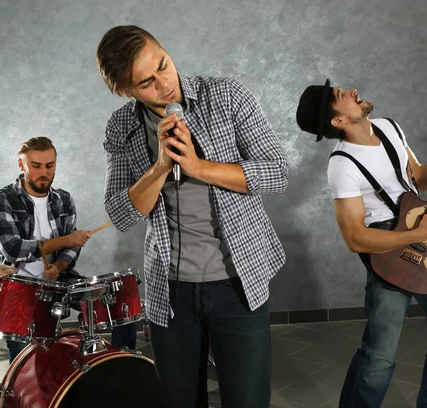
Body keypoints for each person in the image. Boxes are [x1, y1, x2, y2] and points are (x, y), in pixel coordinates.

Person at [96, 25, 288, 408]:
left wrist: (199, 167)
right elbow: (121, 213)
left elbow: (277, 172)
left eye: (163, 66)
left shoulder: (227, 95)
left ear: (165, 49)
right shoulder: (122, 126)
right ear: (125, 90)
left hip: (238, 283)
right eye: (146, 83)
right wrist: (159, 167)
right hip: (170, 291)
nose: (164, 84)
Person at [296, 79, 427, 407]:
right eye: (343, 97)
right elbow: (355, 237)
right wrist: (417, 235)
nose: (353, 91)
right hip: (387, 249)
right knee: (380, 355)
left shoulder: (389, 127)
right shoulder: (342, 165)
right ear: (338, 121)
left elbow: (419, 177)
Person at [0, 136, 136, 363]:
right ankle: (18, 391)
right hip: (19, 285)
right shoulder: (2, 198)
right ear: (21, 165)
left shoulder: (64, 199)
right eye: (35, 166)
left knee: (119, 305)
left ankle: (119, 369)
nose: (44, 172)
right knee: (22, 352)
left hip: (60, 282)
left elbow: (71, 251)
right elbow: (12, 249)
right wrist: (67, 240)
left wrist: (58, 266)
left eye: (50, 166)